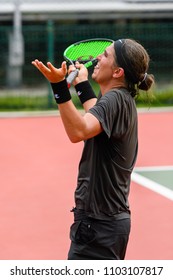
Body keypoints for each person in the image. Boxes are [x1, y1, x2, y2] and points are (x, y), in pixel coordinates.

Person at [32, 38, 154, 260]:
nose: (98, 57)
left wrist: (59, 87)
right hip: (105, 225)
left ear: (117, 72)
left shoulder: (115, 100)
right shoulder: (119, 99)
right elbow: (94, 116)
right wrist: (81, 84)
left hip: (99, 227)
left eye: (105, 55)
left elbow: (79, 131)